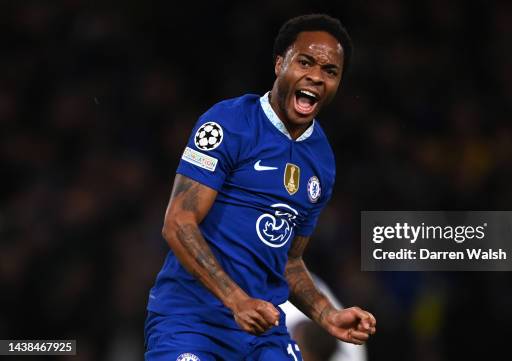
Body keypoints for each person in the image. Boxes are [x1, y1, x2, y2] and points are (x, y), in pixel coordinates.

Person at [145, 14, 376, 361]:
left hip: (262, 333)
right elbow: (178, 222)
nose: (315, 76)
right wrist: (236, 300)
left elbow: (290, 260)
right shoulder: (229, 122)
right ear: (280, 63)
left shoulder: (322, 160)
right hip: (191, 321)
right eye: (305, 62)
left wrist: (327, 314)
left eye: (330, 71)